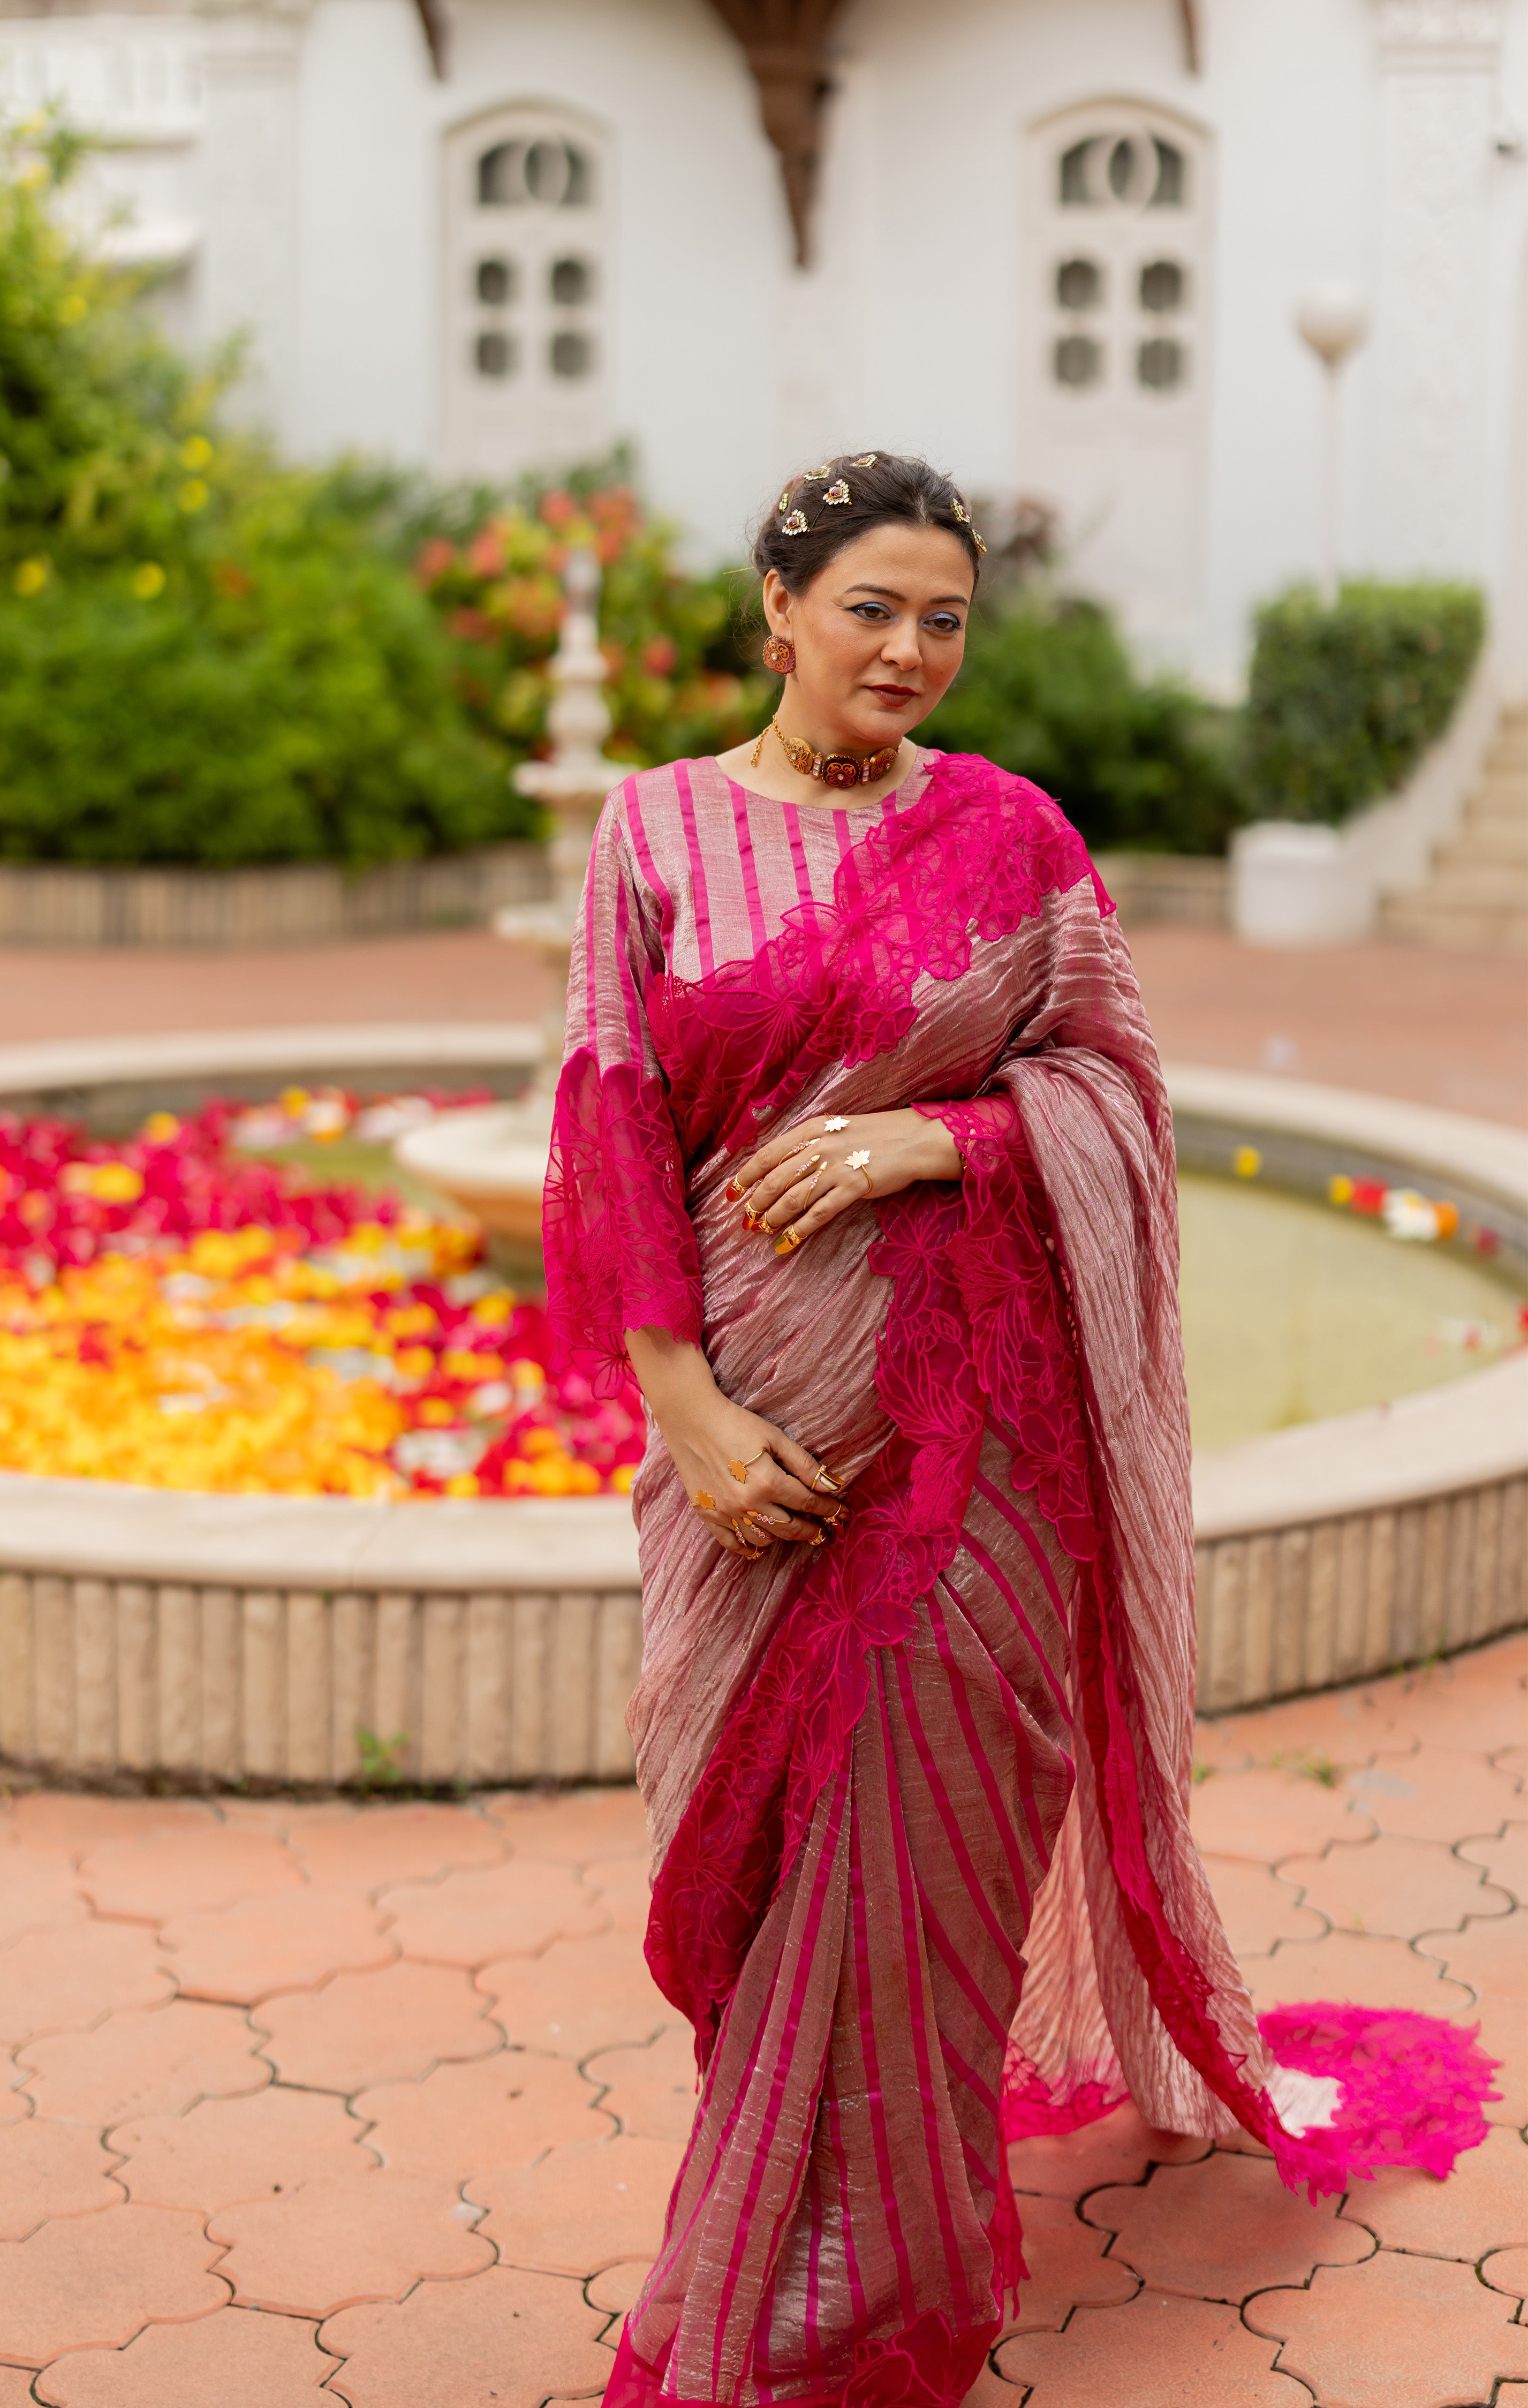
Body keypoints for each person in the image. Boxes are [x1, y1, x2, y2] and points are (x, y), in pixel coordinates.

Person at [543, 452, 1493, 2408]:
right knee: (755, 1865)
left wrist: (939, 1133)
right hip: (749, 1437)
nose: (910, 648)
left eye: (946, 617)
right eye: (873, 607)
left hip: (973, 1446)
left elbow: (1117, 1101)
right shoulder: (645, 836)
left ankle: (862, 2294)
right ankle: (794, 2223)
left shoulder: (1014, 839)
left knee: (935, 1864)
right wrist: (689, 1406)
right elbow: (613, 1130)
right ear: (779, 607)